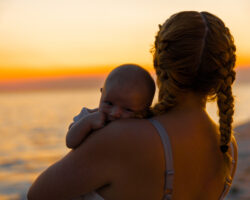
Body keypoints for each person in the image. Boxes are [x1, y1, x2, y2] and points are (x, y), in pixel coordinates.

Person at [27, 11, 238, 200]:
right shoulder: (229, 147)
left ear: (158, 61)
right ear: (219, 75)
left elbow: (38, 194)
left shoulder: (123, 137)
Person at [66, 64, 156, 149]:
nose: (115, 113)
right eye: (109, 103)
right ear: (102, 94)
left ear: (144, 112)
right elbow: (70, 142)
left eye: (128, 109)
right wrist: (86, 123)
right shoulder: (89, 116)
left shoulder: (143, 125)